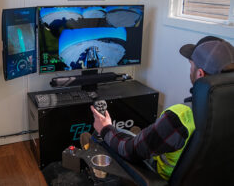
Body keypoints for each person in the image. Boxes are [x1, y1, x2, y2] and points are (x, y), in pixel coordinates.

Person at [90, 36, 234, 180]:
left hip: (159, 175)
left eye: (191, 65)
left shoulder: (180, 117)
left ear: (200, 73)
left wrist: (104, 128)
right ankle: (142, 135)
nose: (190, 69)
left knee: (111, 134)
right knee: (131, 135)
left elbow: (129, 150)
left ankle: (97, 139)